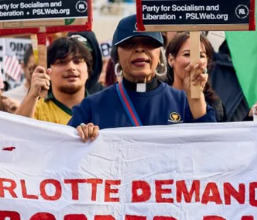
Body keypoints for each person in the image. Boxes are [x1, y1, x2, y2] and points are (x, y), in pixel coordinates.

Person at [69, 15, 215, 141]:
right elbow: (65, 149)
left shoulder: (183, 103)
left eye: (148, 43)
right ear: (116, 55)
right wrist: (79, 135)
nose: (139, 49)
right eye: (130, 44)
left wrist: (196, 97)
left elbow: (209, 145)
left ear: (160, 55)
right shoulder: (91, 107)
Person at [17, 37, 92, 124]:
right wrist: (32, 94)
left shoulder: (101, 107)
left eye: (77, 61)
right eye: (61, 62)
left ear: (88, 70)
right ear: (48, 71)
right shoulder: (36, 110)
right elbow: (16, 129)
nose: (71, 67)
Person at [165, 32, 225, 122]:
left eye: (201, 56)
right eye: (187, 54)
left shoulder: (214, 104)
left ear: (207, 61)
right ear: (171, 59)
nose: (194, 62)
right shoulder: (159, 98)